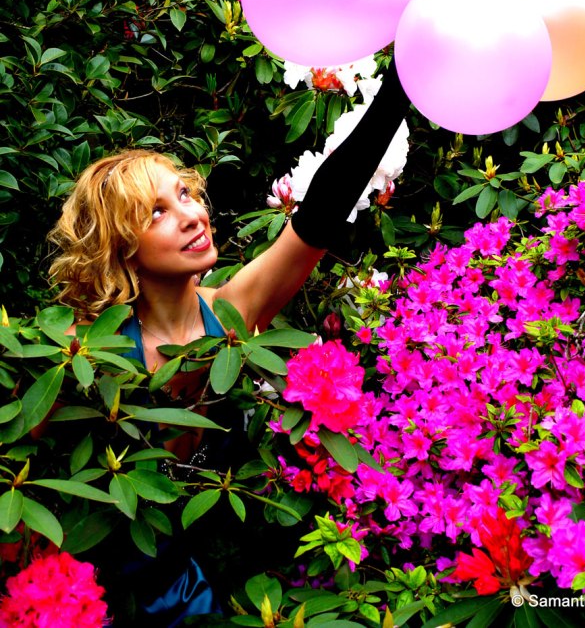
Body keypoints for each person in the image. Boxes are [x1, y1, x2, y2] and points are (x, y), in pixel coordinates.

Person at [47, 63, 411, 625]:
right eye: (157, 212)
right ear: (120, 246)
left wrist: (401, 84)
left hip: (205, 587)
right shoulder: (81, 354)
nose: (192, 215)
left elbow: (321, 213)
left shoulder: (230, 315)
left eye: (185, 194)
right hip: (91, 597)